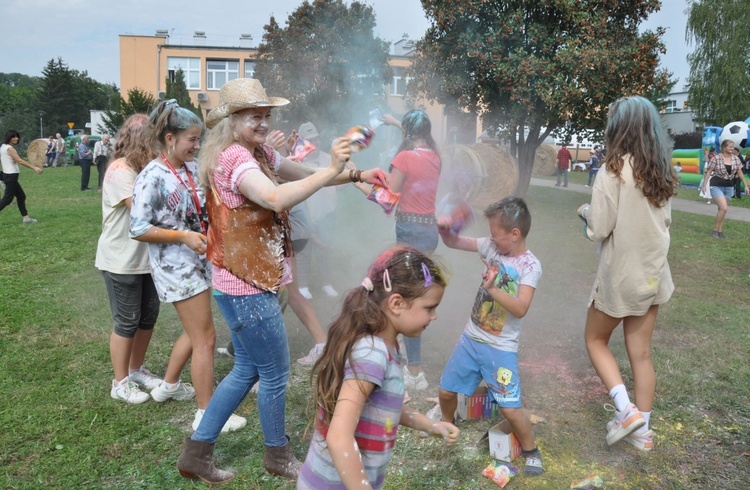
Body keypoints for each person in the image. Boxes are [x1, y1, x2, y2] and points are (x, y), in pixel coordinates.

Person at [176, 78, 388, 484]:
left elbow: (306, 173)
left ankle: (196, 452)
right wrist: (330, 168)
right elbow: (276, 198)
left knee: (247, 371)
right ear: (233, 120)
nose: (263, 122)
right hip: (245, 285)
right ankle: (277, 456)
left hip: (244, 281)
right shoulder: (234, 159)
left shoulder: (259, 152)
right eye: (254, 116)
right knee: (274, 374)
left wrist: (356, 173)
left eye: (266, 115)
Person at [297, 247, 459, 489]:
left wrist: (430, 425)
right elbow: (339, 437)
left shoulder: (384, 345)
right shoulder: (372, 354)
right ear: (397, 303)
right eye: (429, 307)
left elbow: (383, 408)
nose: (434, 316)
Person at [130, 99, 246, 432]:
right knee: (206, 338)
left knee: (196, 330)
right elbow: (137, 228)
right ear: (169, 138)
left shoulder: (190, 167)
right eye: (192, 140)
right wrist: (182, 236)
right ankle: (206, 413)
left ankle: (168, 385)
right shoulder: (151, 177)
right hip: (176, 267)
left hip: (200, 261)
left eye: (199, 139)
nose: (198, 145)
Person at [577, 96, 678, 452]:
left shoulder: (612, 170)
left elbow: (600, 228)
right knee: (641, 353)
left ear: (616, 128)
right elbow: (664, 222)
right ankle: (643, 434)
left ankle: (627, 412)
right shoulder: (662, 171)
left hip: (621, 276)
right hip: (653, 275)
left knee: (595, 340)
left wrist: (587, 212)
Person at [435, 196, 545, 476]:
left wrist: (494, 289)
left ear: (515, 234)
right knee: (446, 391)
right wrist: (447, 231)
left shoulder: (530, 267)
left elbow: (520, 308)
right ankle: (449, 427)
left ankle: (531, 450)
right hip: (471, 340)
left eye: (496, 236)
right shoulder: (490, 246)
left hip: (500, 349)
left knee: (510, 409)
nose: (491, 241)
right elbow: (455, 242)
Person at [96, 115, 163, 404]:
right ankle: (120, 382)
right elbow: (141, 209)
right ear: (141, 141)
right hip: (121, 261)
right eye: (154, 139)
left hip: (147, 260)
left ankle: (136, 370)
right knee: (127, 321)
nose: (159, 144)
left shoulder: (144, 169)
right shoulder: (120, 170)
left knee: (147, 318)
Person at [381, 110, 441, 392]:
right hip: (429, 232)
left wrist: (357, 181)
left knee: (408, 299)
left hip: (409, 232)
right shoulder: (434, 156)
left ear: (407, 132)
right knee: (418, 294)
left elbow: (387, 201)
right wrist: (396, 123)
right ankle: (409, 362)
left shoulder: (404, 158)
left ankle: (414, 371)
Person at [295, 122, 340, 300]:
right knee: (304, 251)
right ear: (301, 142)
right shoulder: (297, 161)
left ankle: (326, 283)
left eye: (316, 138)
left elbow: (339, 183)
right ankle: (303, 286)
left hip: (326, 213)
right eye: (310, 140)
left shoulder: (327, 158)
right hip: (305, 213)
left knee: (325, 249)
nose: (314, 142)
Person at [701, 139, 749, 238]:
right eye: (730, 146)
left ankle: (720, 231)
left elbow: (739, 172)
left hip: (729, 186)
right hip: (716, 184)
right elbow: (709, 171)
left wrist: (746, 185)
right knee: (724, 208)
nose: (732, 148)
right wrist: (704, 185)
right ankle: (715, 230)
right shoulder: (716, 158)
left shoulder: (736, 159)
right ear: (724, 147)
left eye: (733, 146)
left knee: (722, 210)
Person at [0, 130, 43, 222]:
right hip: (10, 176)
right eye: (13, 137)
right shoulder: (9, 148)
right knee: (7, 199)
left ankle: (26, 218)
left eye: (17, 136)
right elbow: (20, 160)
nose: (16, 138)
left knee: (21, 196)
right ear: (9, 138)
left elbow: (9, 159)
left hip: (8, 176)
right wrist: (34, 168)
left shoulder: (3, 147)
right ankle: (26, 218)